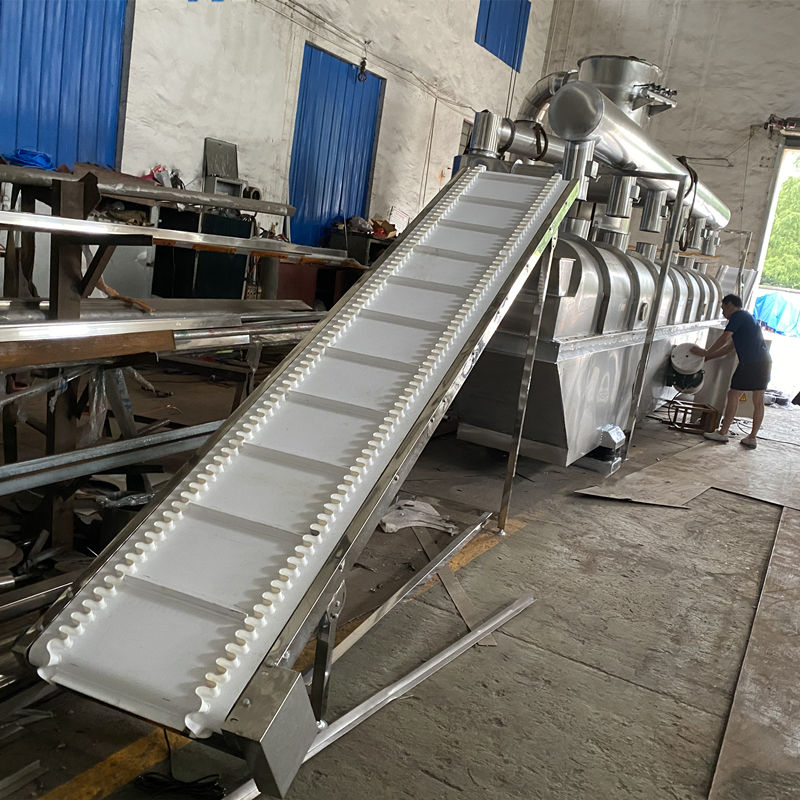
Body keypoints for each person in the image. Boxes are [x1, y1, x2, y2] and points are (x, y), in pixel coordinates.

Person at [690, 294, 771, 449]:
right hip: (764, 362)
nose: (723, 313)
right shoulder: (748, 318)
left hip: (749, 363)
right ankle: (752, 437)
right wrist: (708, 357)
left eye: (723, 308)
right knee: (758, 400)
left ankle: (723, 432)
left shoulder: (737, 316)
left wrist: (705, 352)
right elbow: (729, 348)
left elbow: (725, 338)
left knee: (733, 395)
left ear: (730, 305)